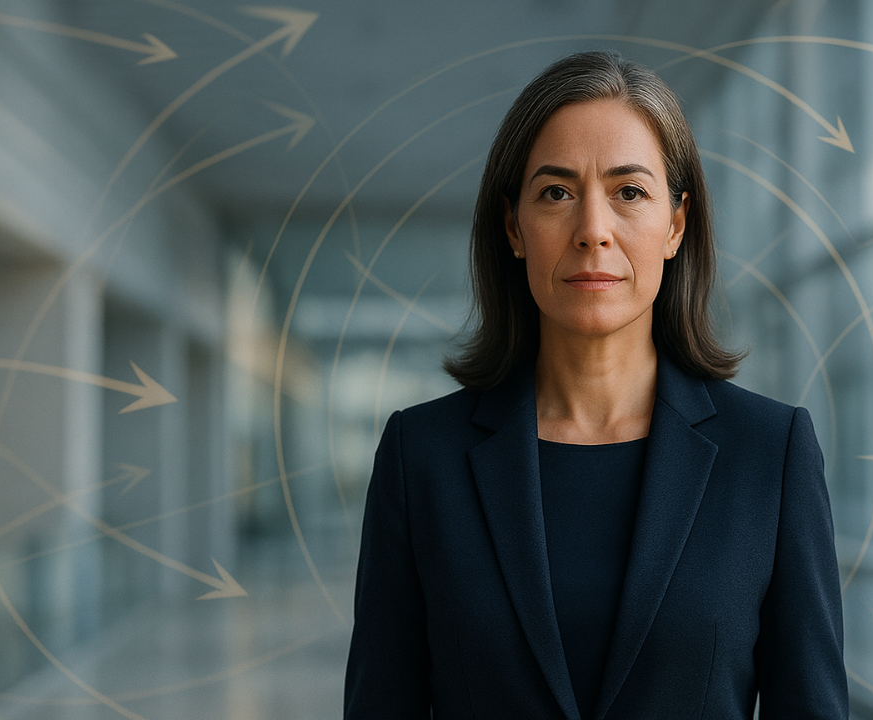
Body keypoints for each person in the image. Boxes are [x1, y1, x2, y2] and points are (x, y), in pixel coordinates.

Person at [344, 50, 847, 720]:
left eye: (628, 192)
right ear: (513, 226)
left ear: (675, 223)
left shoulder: (771, 454)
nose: (593, 231)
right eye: (556, 192)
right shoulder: (420, 457)